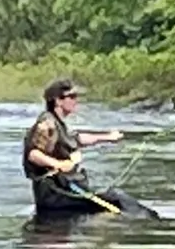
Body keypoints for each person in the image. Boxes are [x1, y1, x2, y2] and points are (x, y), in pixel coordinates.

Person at [23, 78, 159, 219]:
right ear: (58, 101)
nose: (76, 101)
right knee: (116, 199)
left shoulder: (58, 123)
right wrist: (59, 164)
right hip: (54, 197)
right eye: (72, 97)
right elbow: (33, 154)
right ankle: (152, 223)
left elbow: (77, 139)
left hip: (62, 192)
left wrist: (108, 137)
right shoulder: (47, 123)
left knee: (115, 200)